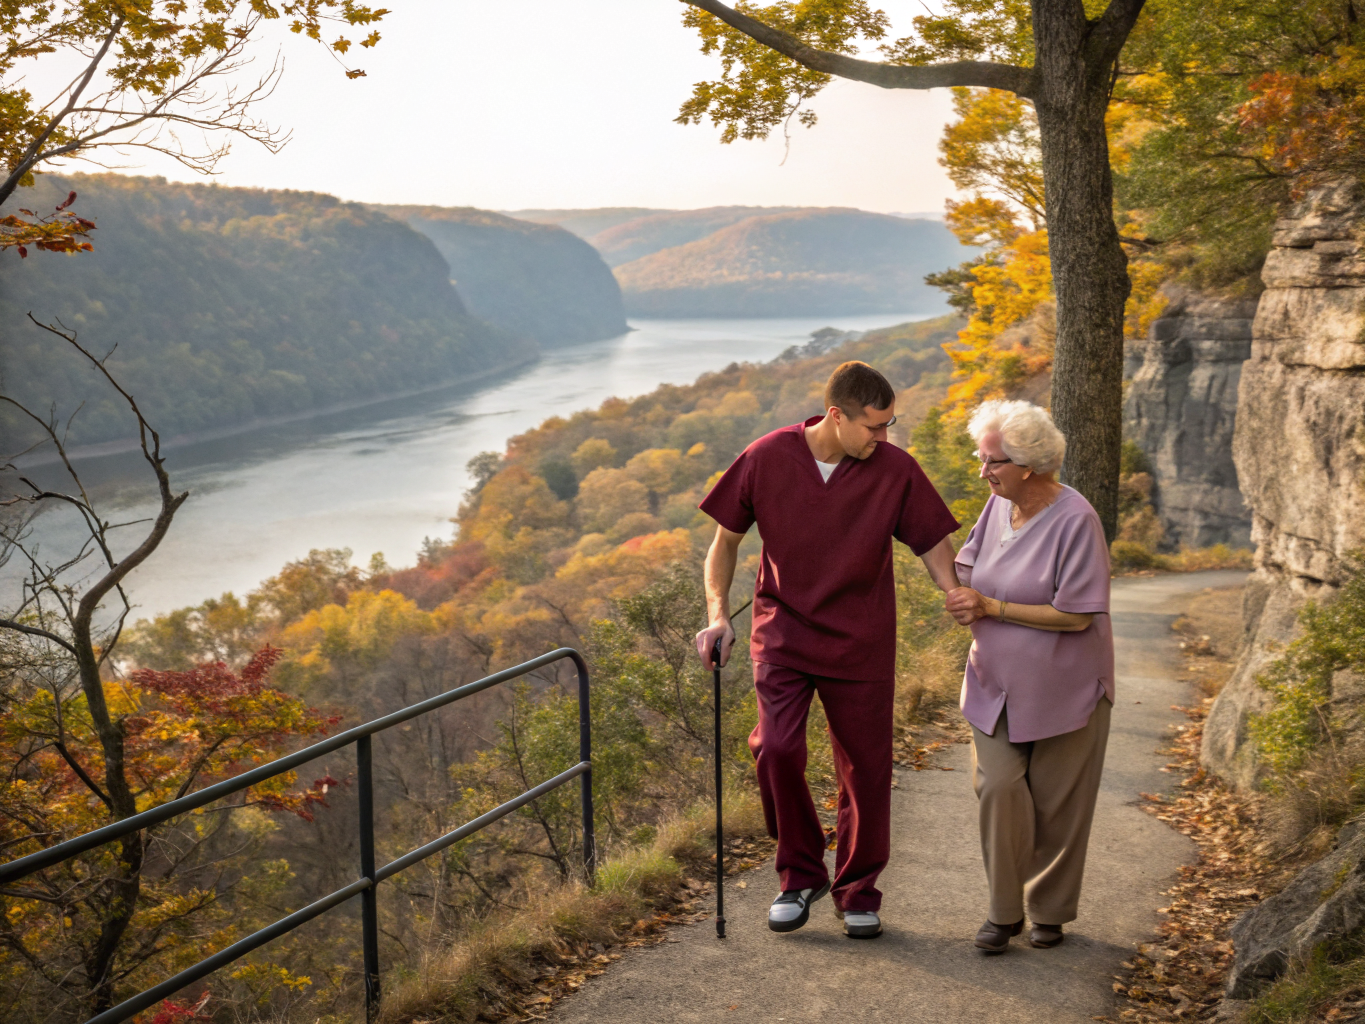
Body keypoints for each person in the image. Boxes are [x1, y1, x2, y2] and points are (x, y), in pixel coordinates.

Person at [694, 361, 961, 939]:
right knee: (776, 748)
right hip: (782, 633)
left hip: (861, 639)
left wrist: (954, 592)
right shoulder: (766, 456)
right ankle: (800, 873)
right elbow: (724, 546)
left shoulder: (894, 469)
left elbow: (932, 542)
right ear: (836, 416)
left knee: (865, 770)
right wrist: (718, 615)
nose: (884, 437)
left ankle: (858, 889)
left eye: (889, 426)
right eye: (875, 426)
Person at [944, 399, 1114, 954]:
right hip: (994, 682)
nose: (983, 471)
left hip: (1067, 686)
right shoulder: (997, 507)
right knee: (998, 786)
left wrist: (992, 608)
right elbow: (967, 563)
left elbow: (1078, 613)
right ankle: (1002, 912)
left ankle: (1049, 912)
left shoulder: (1076, 519)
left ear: (1029, 466)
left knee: (1057, 804)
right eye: (982, 457)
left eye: (993, 461)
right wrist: (958, 590)